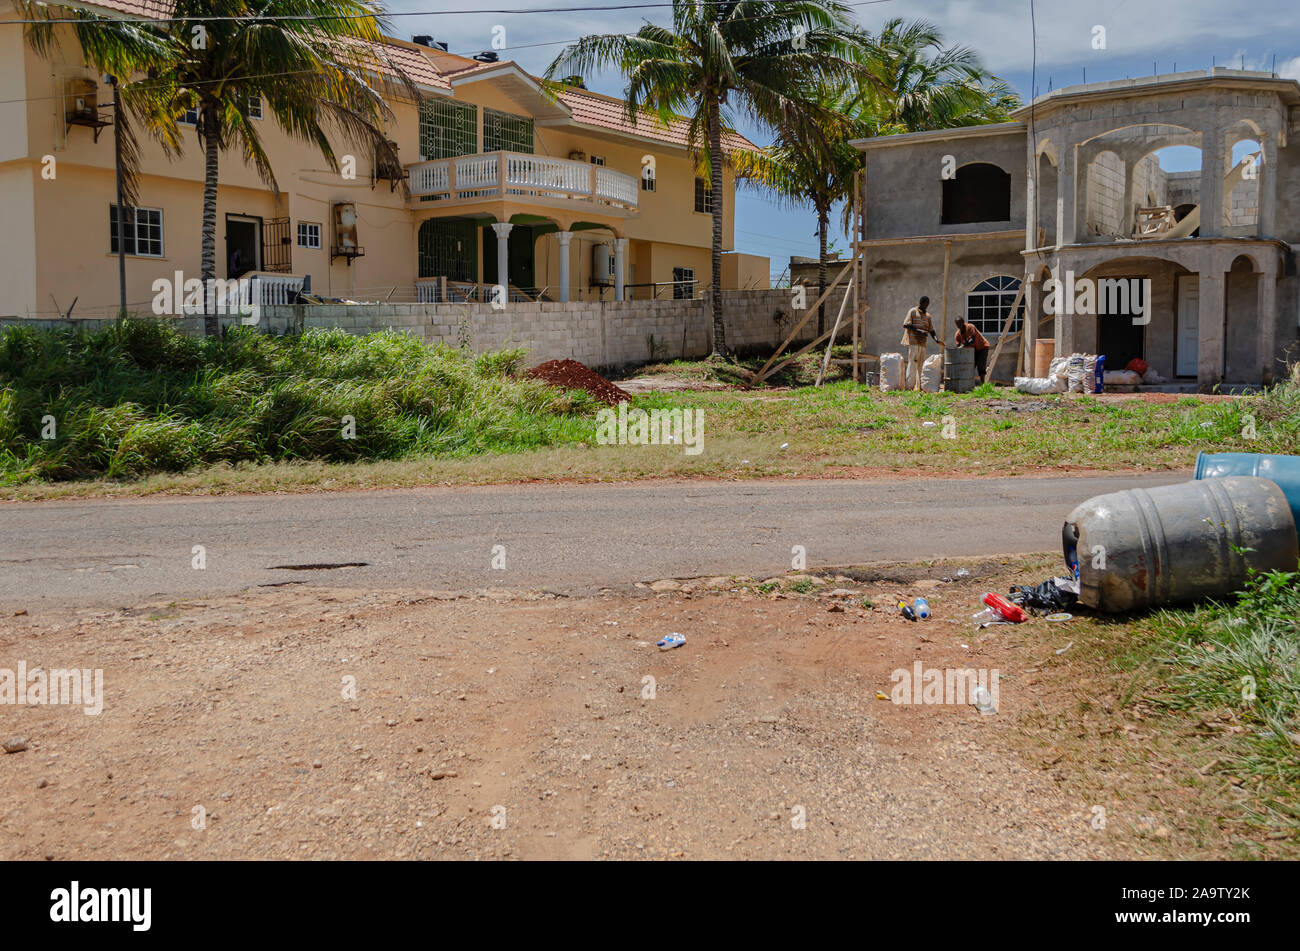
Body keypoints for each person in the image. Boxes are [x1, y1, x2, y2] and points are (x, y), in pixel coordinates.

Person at [900, 296, 939, 390]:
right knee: (912, 364)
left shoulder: (928, 316)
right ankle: (909, 387)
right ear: (920, 303)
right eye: (924, 303)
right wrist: (919, 331)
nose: (926, 305)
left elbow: (931, 330)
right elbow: (905, 324)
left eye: (927, 304)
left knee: (921, 366)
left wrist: (936, 339)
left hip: (923, 343)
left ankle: (919, 387)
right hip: (913, 342)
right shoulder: (913, 311)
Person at [953, 315, 991, 381]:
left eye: (960, 323)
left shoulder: (970, 327)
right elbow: (958, 346)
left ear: (963, 322)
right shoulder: (957, 335)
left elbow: (972, 339)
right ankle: (968, 384)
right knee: (970, 366)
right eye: (957, 324)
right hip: (973, 350)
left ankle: (983, 385)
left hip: (982, 347)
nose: (959, 326)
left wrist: (963, 346)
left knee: (981, 366)